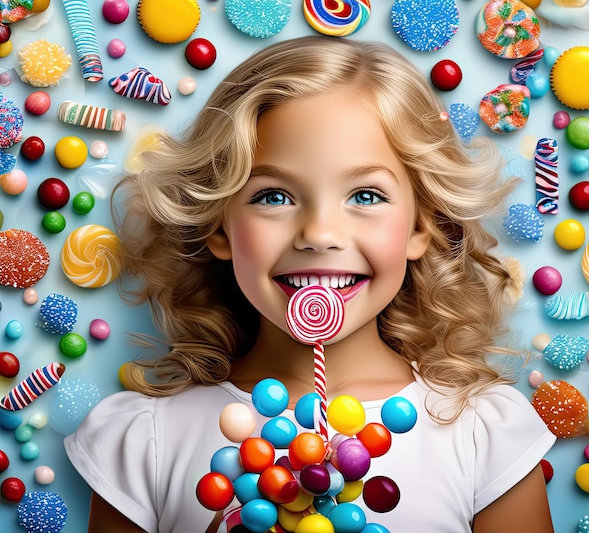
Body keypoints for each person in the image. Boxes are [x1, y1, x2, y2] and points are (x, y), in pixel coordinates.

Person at [64, 36, 556, 533]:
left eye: (365, 195)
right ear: (218, 227)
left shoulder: (481, 434)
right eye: (274, 196)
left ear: (419, 227)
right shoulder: (147, 439)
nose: (320, 234)